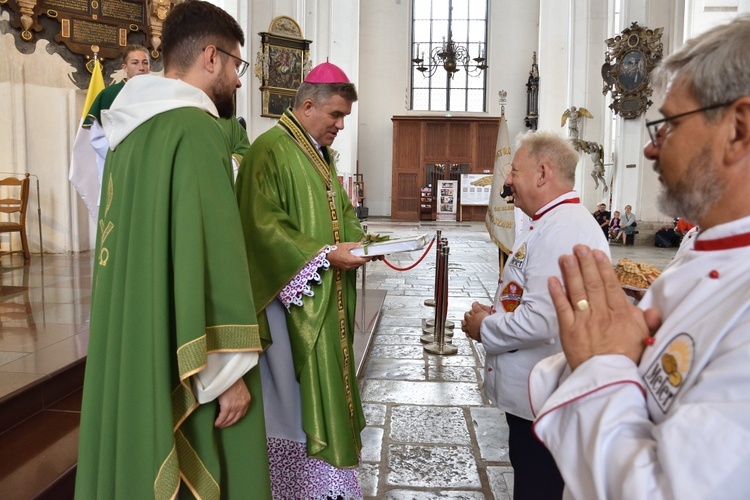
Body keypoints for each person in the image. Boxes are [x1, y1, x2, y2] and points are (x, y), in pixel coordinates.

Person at [529, 15, 750, 499]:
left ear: (738, 129)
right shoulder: (702, 249)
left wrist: (603, 363)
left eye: (668, 125)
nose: (650, 148)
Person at [75, 2, 271, 498]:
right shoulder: (195, 129)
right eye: (236, 65)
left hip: (137, 331)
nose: (239, 80)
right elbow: (209, 257)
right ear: (211, 57)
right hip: (195, 355)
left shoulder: (126, 132)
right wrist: (227, 375)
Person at [235, 61, 371, 499]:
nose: (340, 126)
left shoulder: (319, 153)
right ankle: (294, 487)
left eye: (344, 117)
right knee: (292, 401)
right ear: (307, 105)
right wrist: (323, 255)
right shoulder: (269, 149)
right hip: (287, 303)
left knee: (323, 387)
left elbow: (342, 215)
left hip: (323, 298)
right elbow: (261, 227)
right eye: (335, 115)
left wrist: (363, 242)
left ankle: (324, 486)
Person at [461, 131, 610, 499]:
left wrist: (485, 327)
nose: (507, 179)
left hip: (543, 398)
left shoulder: (563, 229)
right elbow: (533, 297)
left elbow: (543, 321)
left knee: (538, 487)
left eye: (514, 171)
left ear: (542, 174)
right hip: (535, 396)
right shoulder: (553, 222)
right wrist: (496, 310)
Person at [85, 45, 151, 184]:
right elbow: (97, 138)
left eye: (145, 63)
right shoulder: (110, 95)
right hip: (120, 164)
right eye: (135, 63)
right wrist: (124, 156)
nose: (141, 67)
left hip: (150, 164)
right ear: (125, 67)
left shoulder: (157, 95)